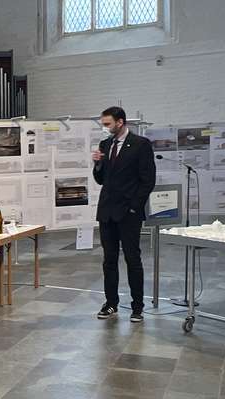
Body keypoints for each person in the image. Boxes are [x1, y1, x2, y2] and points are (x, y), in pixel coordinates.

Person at [91, 106, 156, 322]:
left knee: (132, 259)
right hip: (107, 211)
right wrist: (97, 164)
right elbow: (101, 179)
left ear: (120, 122)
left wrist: (134, 207)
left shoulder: (141, 144)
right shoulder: (105, 144)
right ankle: (111, 303)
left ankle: (137, 306)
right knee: (109, 260)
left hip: (129, 212)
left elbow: (148, 180)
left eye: (107, 124)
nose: (105, 128)